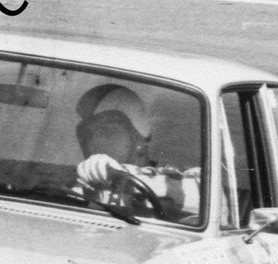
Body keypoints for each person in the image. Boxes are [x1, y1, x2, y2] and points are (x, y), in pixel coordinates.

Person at [73, 84, 200, 221]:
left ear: (138, 139)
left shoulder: (188, 181)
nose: (94, 142)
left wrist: (120, 174)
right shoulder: (83, 182)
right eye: (88, 135)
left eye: (107, 131)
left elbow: (203, 193)